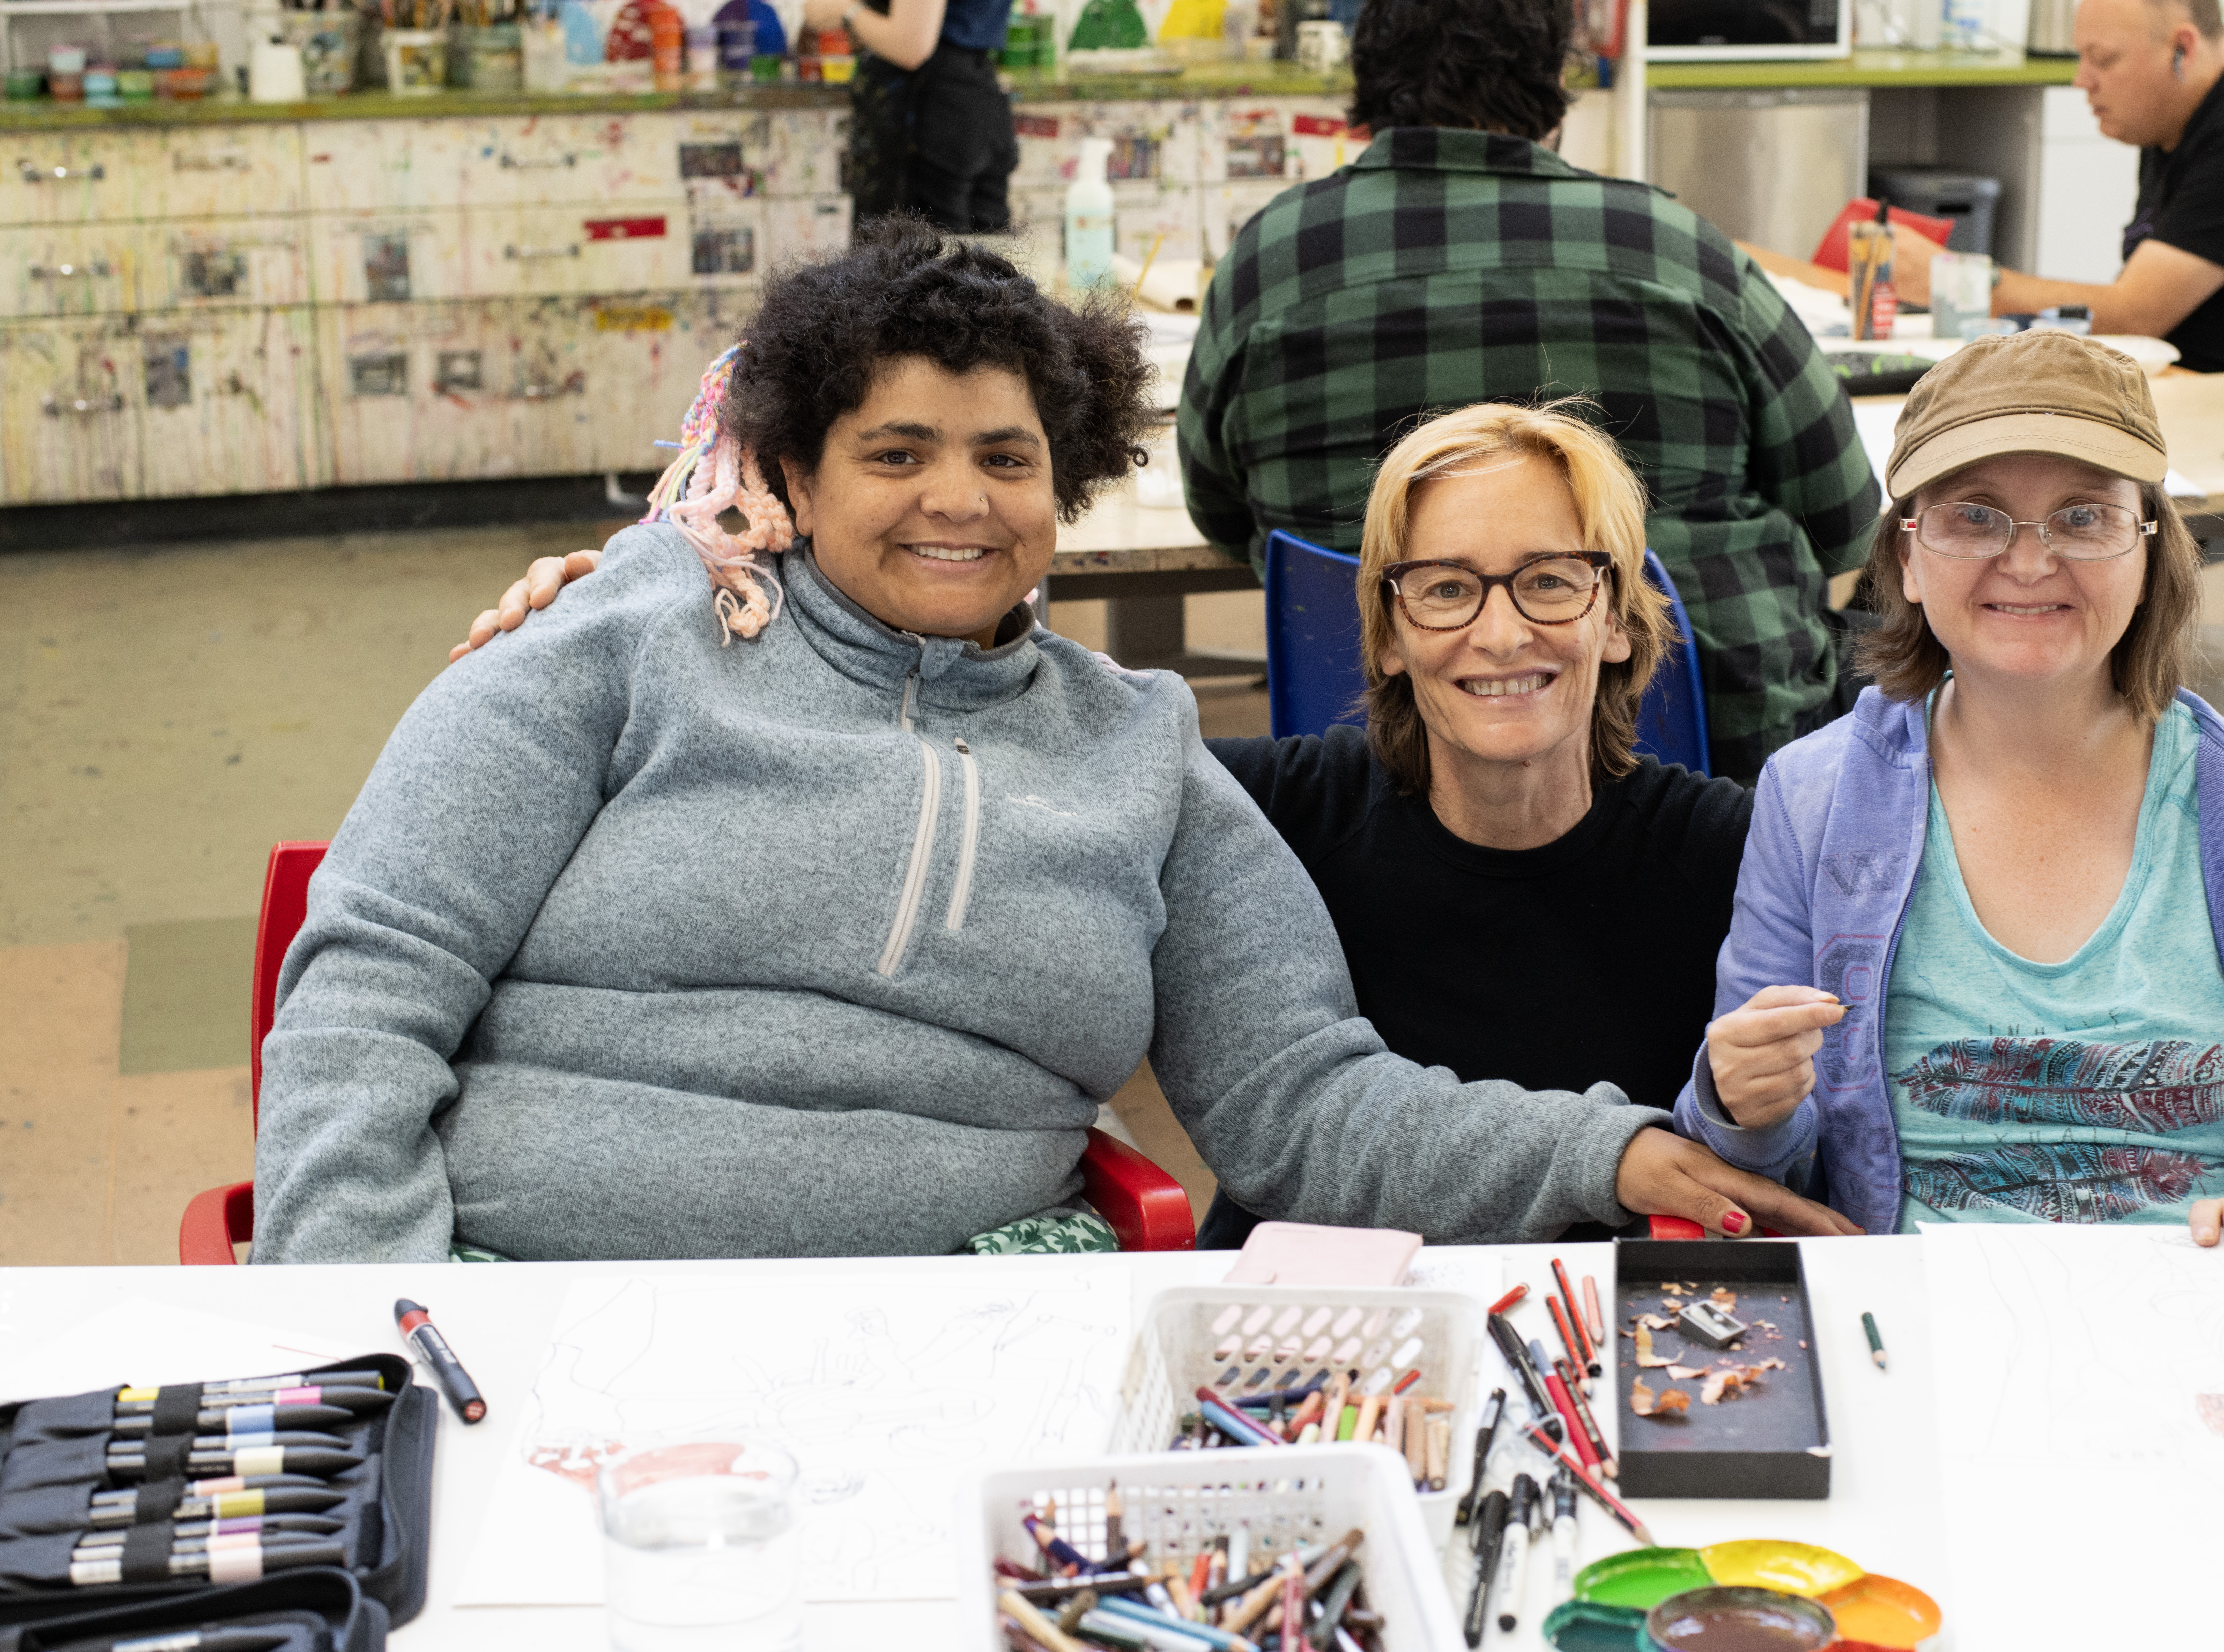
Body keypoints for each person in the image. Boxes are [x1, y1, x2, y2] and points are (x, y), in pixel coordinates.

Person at [460, 397, 2224, 1249]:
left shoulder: (1764, 842)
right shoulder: (1246, 811)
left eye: (1555, 580)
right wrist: (645, 598)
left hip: (1620, 1352)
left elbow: (1833, 1099)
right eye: (1444, 587)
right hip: (1322, 1339)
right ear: (1376, 624)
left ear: (1630, 610)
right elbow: (955, 765)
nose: (1502, 630)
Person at [253, 224, 1846, 1264]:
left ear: (1062, 489)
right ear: (793, 475)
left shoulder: (1139, 754)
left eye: (1004, 457)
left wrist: (1615, 1151)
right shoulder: (619, 638)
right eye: (896, 452)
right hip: (526, 1301)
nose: (957, 497)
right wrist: (371, 1328)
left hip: (964, 1342)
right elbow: (371, 981)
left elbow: (1298, 1100)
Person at [1678, 332, 2224, 1249]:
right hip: (1929, 1335)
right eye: (1975, 515)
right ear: (1907, 557)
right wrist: (1741, 1105)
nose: (2026, 560)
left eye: (2083, 517)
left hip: (2211, 1325)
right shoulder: (1812, 800)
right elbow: (1749, 1162)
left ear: (2150, 548)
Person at [1175, 0, 1883, 782]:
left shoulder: (1269, 263)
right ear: (1556, 80)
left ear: (1365, 80)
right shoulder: (1676, 250)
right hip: (1718, 754)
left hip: (1381, 753)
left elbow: (1223, 518)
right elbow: (1843, 516)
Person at [1889, 0, 2224, 394]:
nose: (2081, 81)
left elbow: (2133, 315)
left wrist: (1961, 279)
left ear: (2182, 49)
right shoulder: (2172, 127)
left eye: (2103, 60)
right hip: (2205, 383)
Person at [803, 0, 1018, 232]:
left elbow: (910, 46)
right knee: (986, 252)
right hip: (977, 92)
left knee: (918, 255)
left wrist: (846, 10)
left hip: (928, 107)